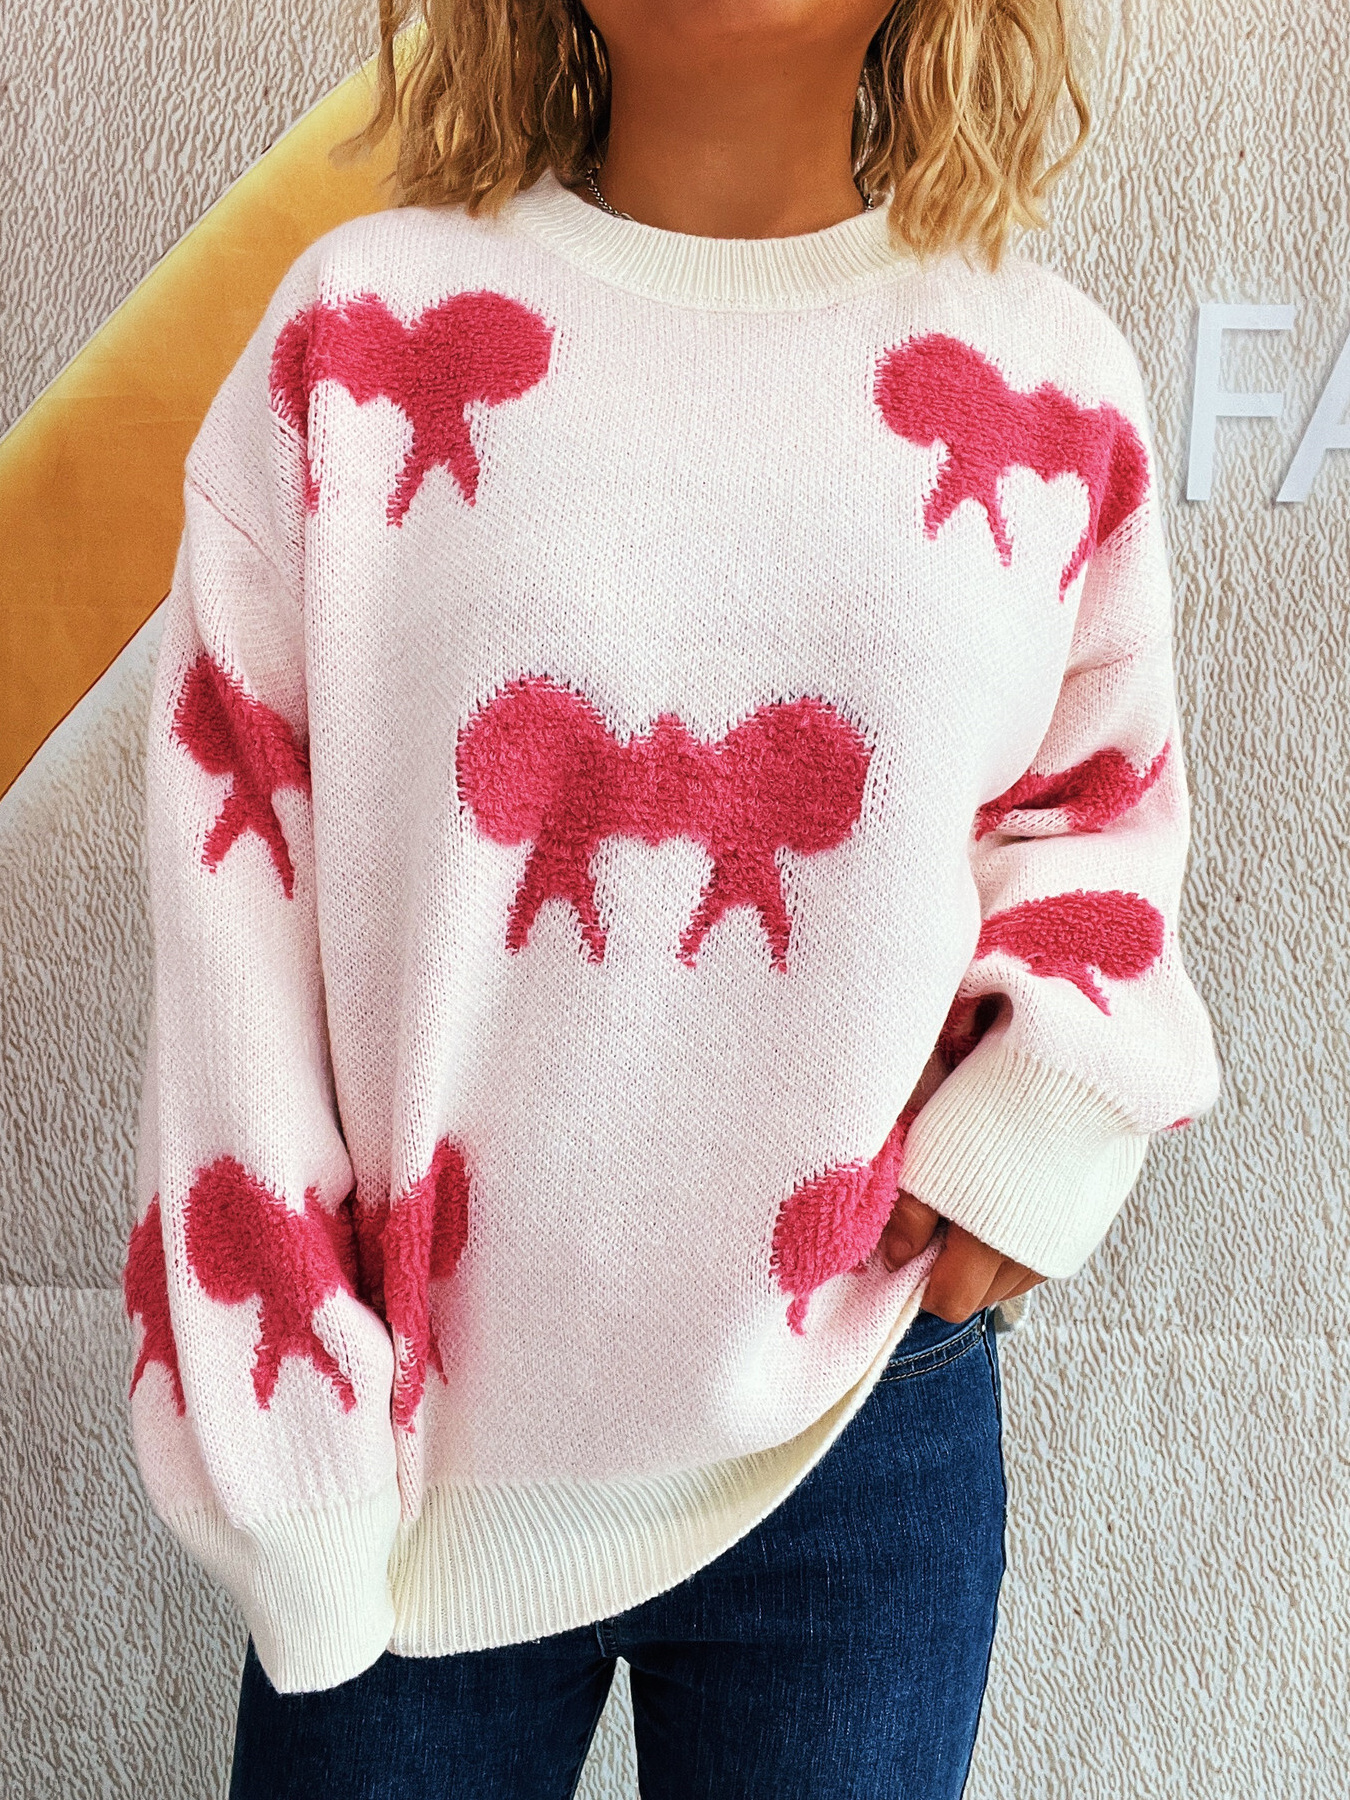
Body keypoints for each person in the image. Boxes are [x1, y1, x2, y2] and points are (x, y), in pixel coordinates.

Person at [122, 2, 1221, 1794]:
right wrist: (288, 1433)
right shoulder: (358, 334)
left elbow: (1099, 808)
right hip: (411, 1432)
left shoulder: (1044, 376)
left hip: (854, 1412)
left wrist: (1042, 1123)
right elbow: (235, 885)